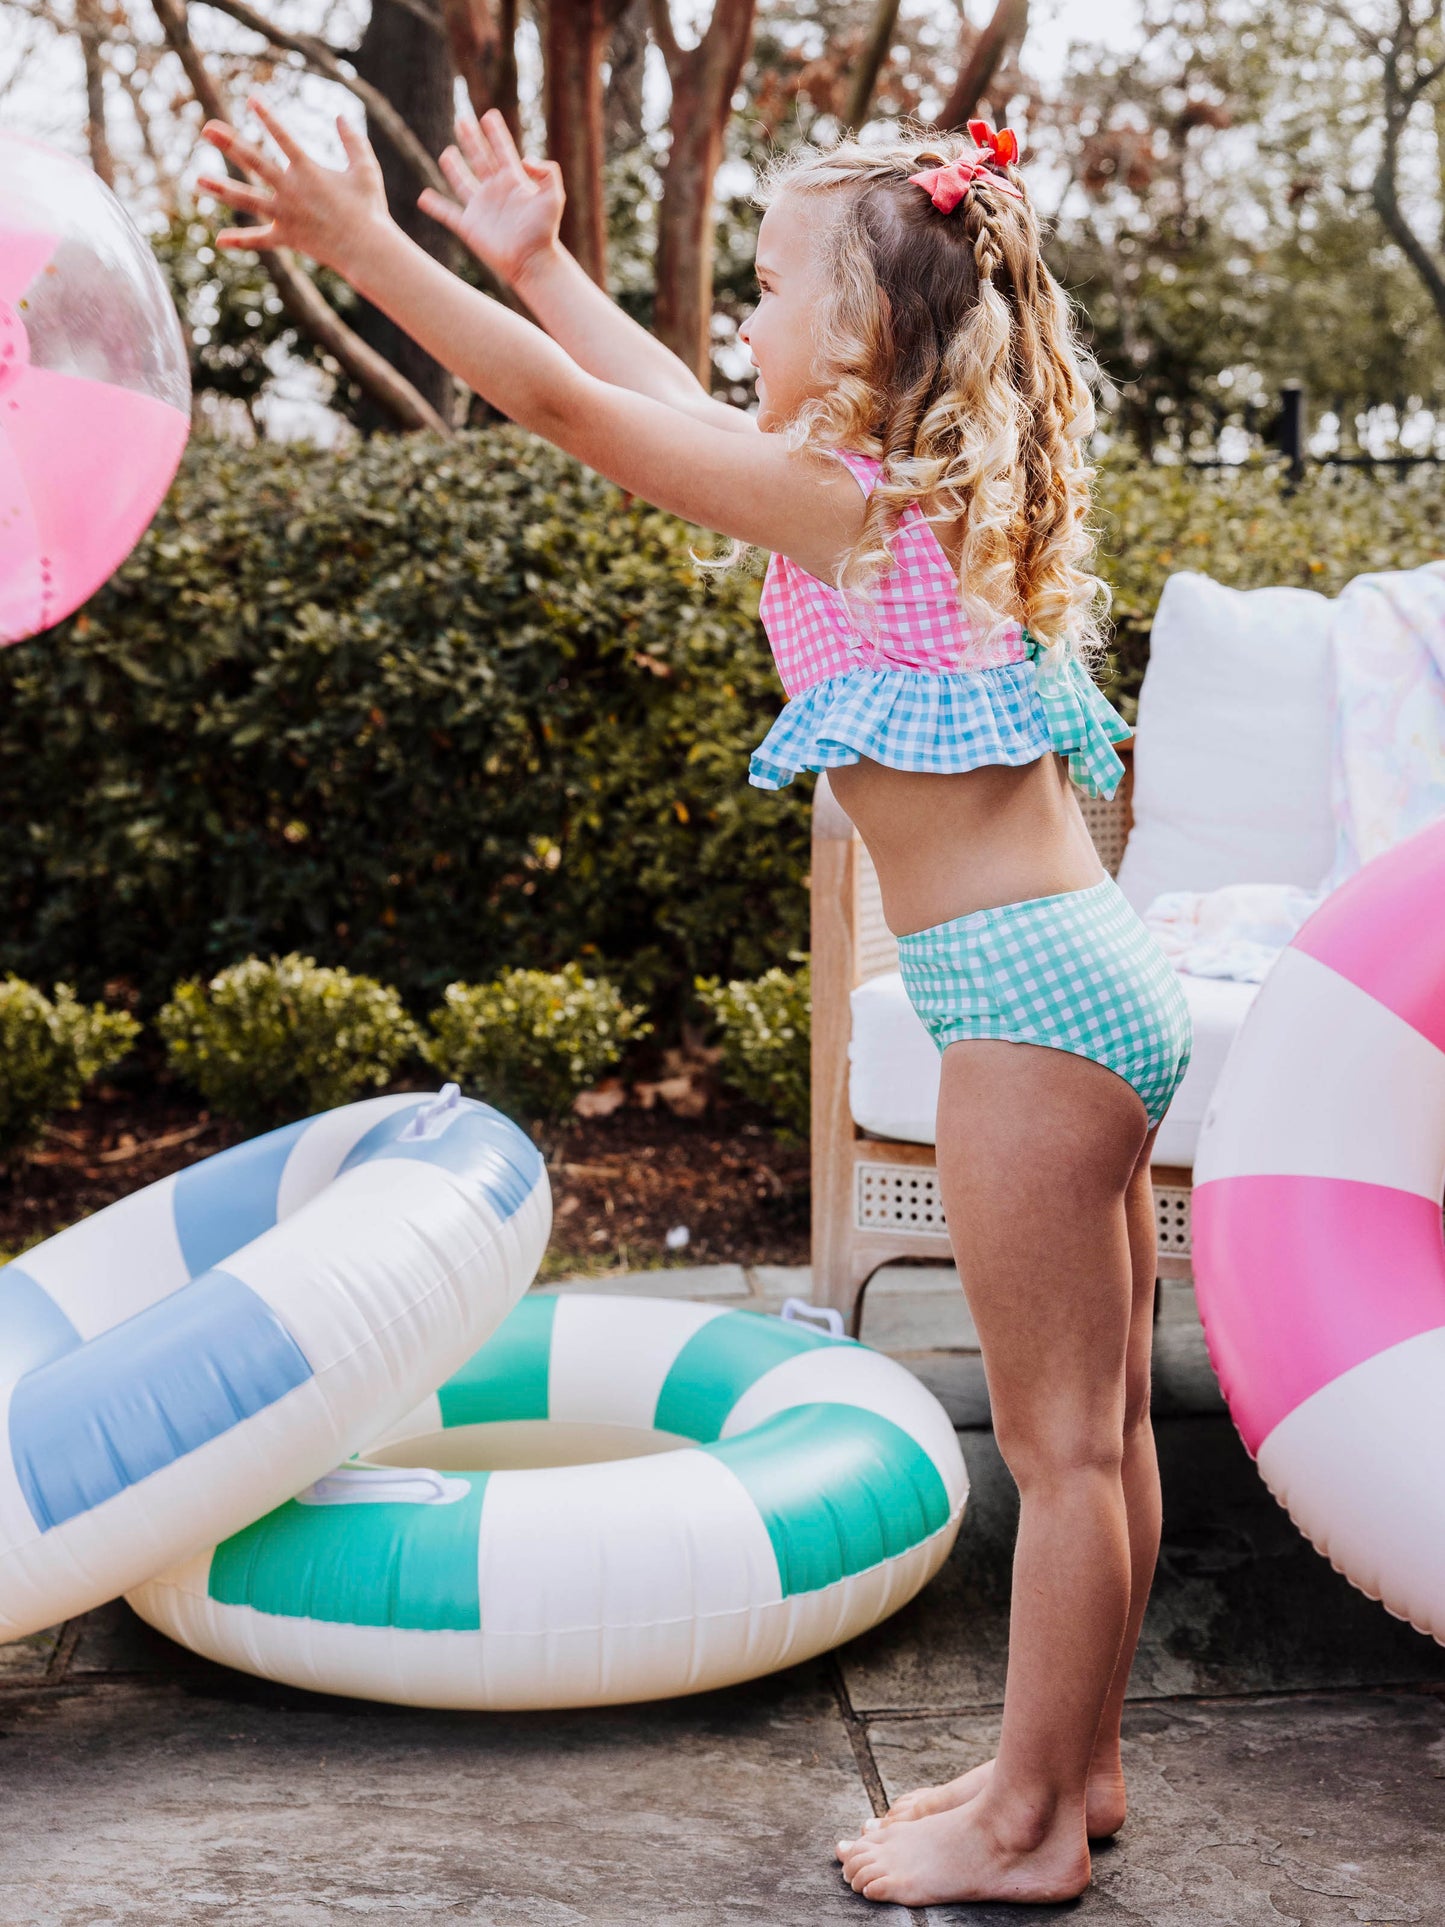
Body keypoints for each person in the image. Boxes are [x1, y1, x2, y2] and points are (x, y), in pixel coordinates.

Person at [196, 100, 1192, 1909]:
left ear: (862, 340)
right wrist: (536, 259)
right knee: (1102, 1430)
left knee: (1050, 1450)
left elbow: (586, 419)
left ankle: (1031, 1824)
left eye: (758, 290)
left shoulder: (842, 501)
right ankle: (1079, 1764)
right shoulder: (892, 492)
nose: (737, 322)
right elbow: (650, 391)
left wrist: (364, 246)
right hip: (1085, 978)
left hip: (1024, 1014)